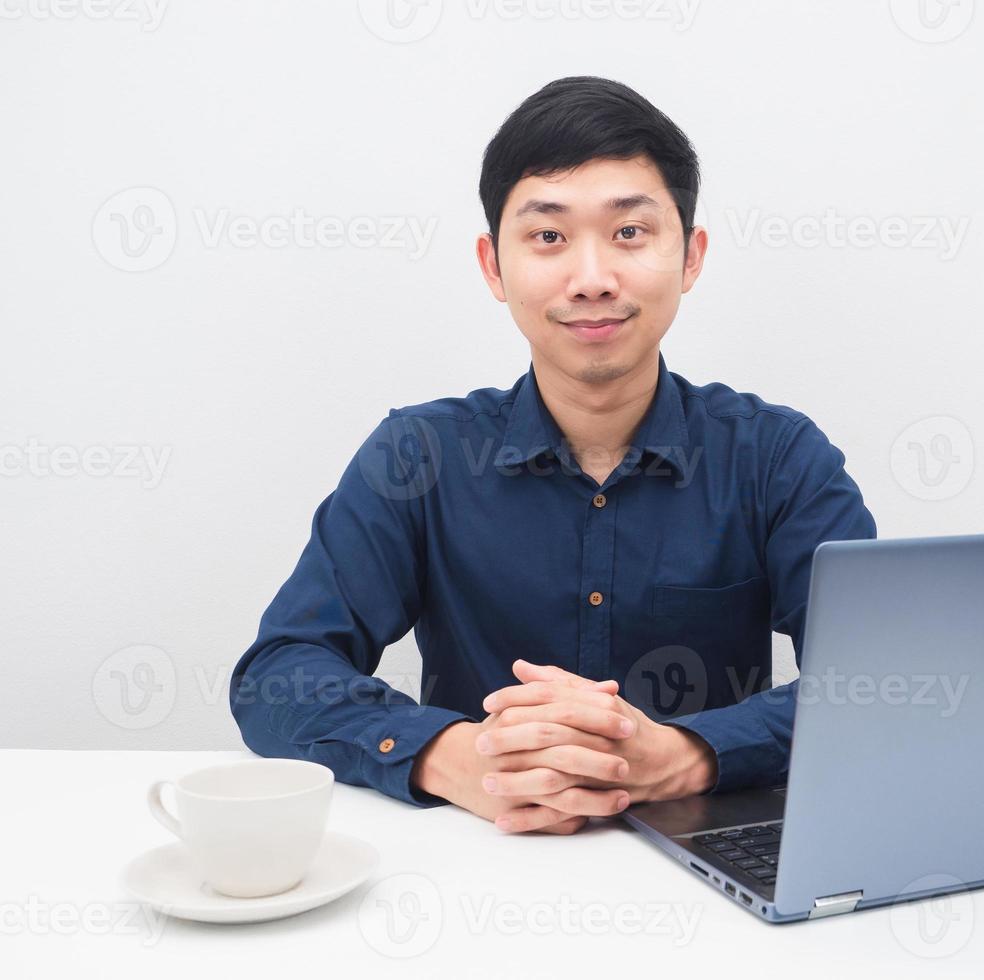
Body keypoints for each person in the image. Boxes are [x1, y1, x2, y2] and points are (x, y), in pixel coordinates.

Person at [229, 76, 876, 835]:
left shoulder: (776, 457)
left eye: (630, 233)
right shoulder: (419, 456)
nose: (593, 278)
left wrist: (686, 754)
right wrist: (449, 754)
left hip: (713, 872)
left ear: (690, 255)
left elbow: (874, 681)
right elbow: (276, 675)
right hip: (480, 857)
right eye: (548, 236)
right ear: (493, 266)